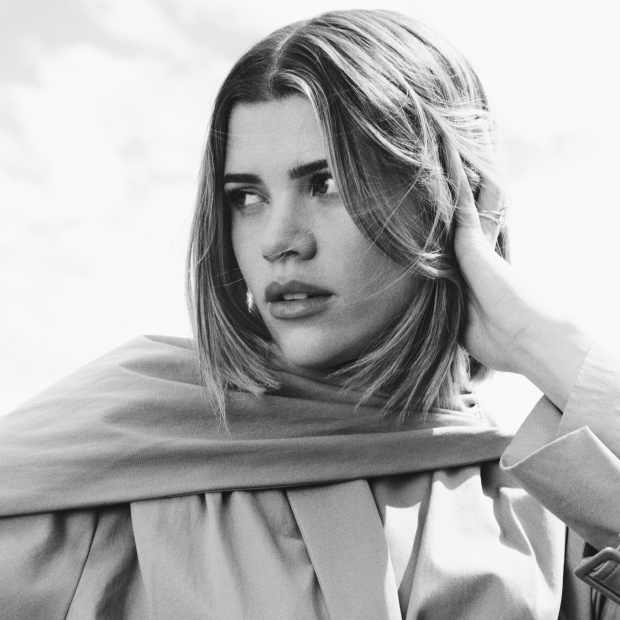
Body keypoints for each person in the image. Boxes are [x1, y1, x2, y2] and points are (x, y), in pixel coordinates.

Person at [1, 8, 619, 619]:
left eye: (326, 185)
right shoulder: (99, 470)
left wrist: (540, 341)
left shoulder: (560, 520)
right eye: (247, 197)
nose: (279, 240)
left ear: (448, 199)